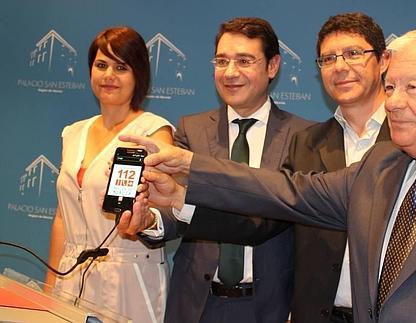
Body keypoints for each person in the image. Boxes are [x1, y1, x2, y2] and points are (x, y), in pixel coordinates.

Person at [121, 24, 416, 322]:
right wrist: (191, 168)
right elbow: (283, 192)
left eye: (411, 87)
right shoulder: (380, 167)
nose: (394, 100)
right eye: (392, 86)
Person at [128, 17, 313, 323]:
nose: (230, 73)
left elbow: (273, 220)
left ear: (272, 66)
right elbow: (176, 206)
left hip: (270, 307)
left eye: (244, 61)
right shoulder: (192, 129)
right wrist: (149, 219)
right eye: (222, 61)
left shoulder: (304, 138)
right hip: (196, 305)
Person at [45, 26, 173, 323]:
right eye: (101, 65)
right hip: (72, 275)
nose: (108, 76)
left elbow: (163, 212)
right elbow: (62, 217)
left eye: (121, 67)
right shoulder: (73, 133)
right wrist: (50, 286)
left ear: (138, 74)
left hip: (130, 277)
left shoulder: (153, 132)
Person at [282, 12, 389, 323]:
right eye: (328, 59)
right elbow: (269, 217)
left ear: (382, 60)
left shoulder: (412, 139)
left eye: (353, 54)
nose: (340, 66)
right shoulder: (306, 144)